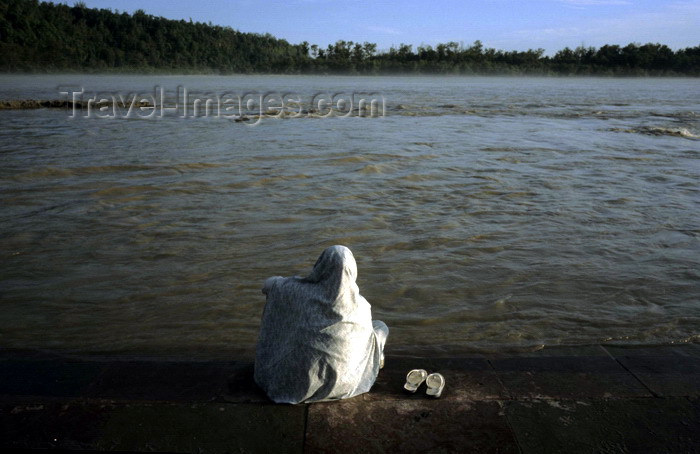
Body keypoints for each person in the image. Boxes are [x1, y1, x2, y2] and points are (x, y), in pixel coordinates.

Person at [254, 245, 388, 404]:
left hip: (283, 384)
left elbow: (267, 286)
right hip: (342, 384)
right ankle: (376, 359)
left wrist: (287, 283)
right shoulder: (361, 306)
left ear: (320, 266)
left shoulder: (295, 290)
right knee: (380, 327)